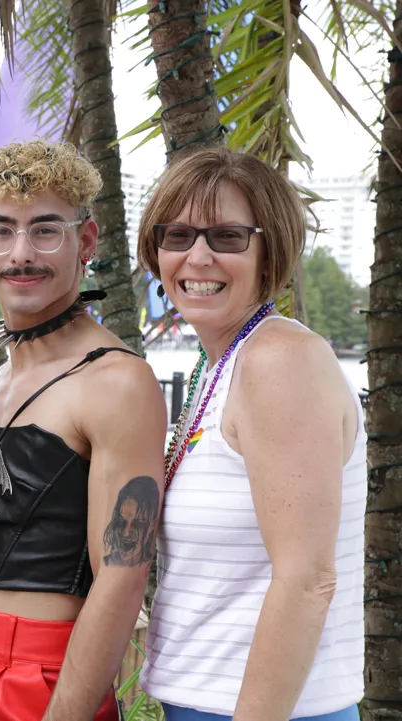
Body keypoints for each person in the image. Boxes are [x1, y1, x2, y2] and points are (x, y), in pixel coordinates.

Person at [0, 140, 168, 721]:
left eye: (45, 230)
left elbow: (121, 581)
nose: (21, 254)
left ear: (85, 242)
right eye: (2, 230)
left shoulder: (117, 381)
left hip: (40, 672)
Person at [137, 148, 366, 721]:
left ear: (269, 253)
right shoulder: (219, 366)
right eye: (177, 235)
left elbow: (307, 581)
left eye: (227, 237)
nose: (198, 256)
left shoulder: (280, 360)